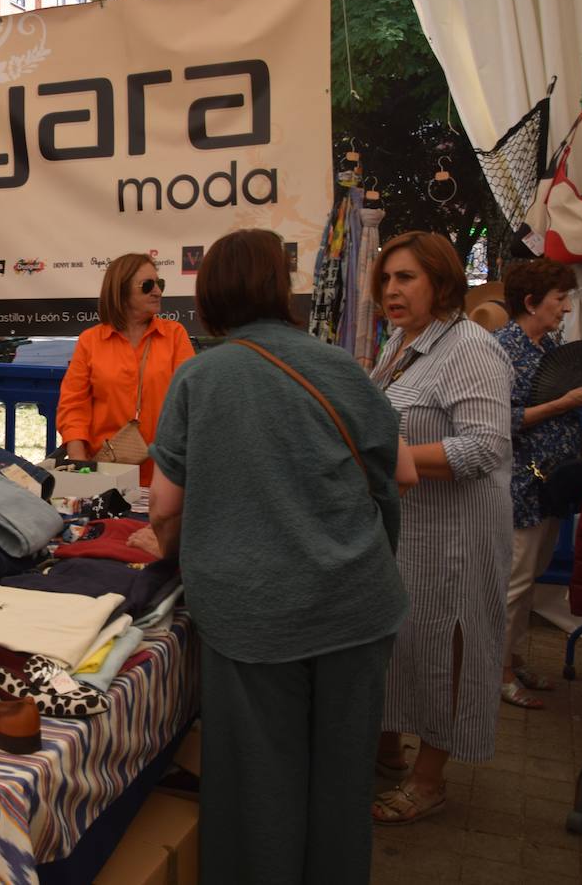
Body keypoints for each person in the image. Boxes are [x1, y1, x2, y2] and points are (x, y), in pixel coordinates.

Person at [147, 228, 414, 884]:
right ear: (280, 287)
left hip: (253, 612)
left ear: (209, 295)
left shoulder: (199, 377)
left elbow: (162, 507)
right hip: (356, 604)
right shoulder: (339, 364)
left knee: (259, 790)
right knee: (343, 783)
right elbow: (402, 471)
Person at [368, 231, 513, 825]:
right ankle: (390, 751)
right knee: (406, 645)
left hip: (457, 536)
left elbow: (485, 446)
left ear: (442, 282)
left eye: (406, 278)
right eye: (386, 279)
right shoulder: (403, 344)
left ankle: (430, 780)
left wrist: (389, 456)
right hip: (412, 529)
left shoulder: (470, 348)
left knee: (447, 648)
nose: (391, 291)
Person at [493, 259, 582, 709]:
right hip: (522, 486)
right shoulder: (501, 350)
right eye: (559, 299)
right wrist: (563, 403)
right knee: (513, 584)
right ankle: (496, 672)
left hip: (552, 485)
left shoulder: (548, 346)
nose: (566, 308)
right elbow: (500, 419)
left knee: (530, 579)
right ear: (532, 302)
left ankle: (513, 659)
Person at [56, 253, 195, 485]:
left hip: (165, 473)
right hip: (105, 473)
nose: (158, 292)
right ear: (120, 290)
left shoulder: (175, 335)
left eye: (159, 284)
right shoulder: (90, 341)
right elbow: (73, 406)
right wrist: (81, 469)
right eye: (147, 285)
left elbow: (191, 401)